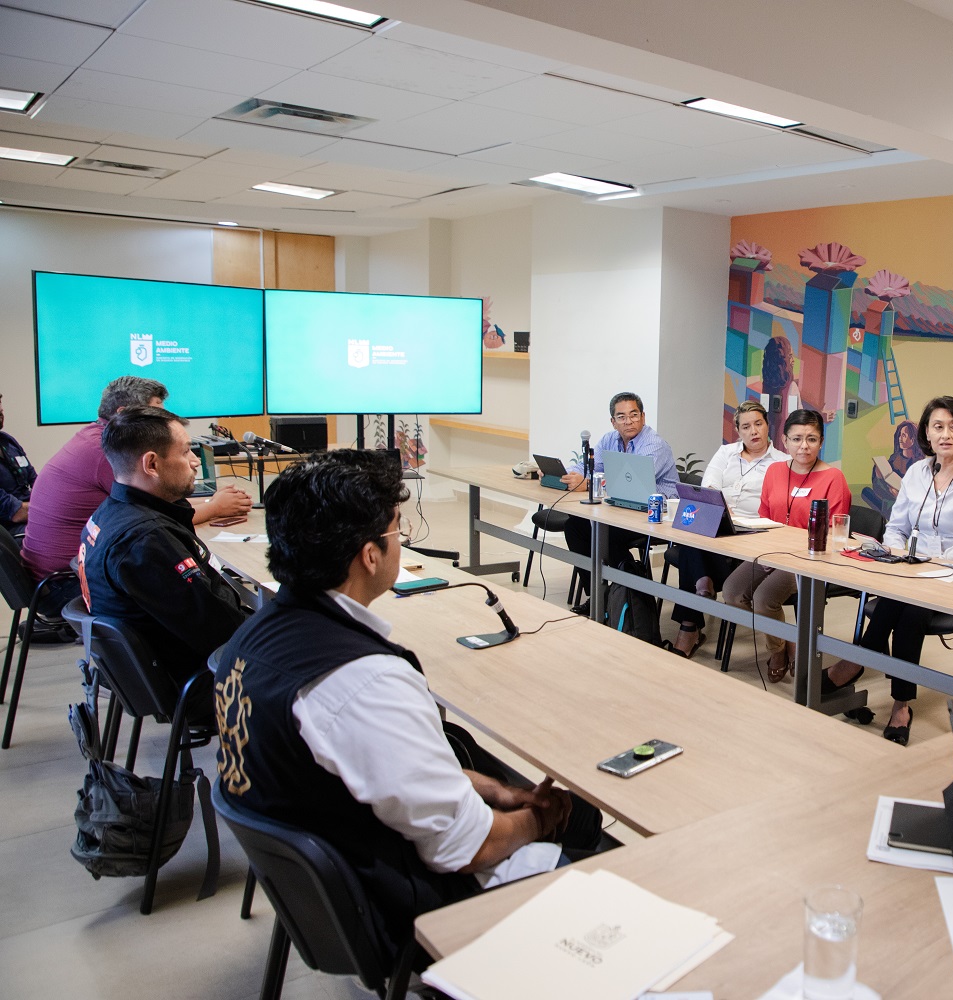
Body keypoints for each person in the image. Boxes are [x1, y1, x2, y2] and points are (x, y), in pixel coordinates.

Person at [214, 449, 600, 966]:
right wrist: (538, 818)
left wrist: (498, 790)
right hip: (405, 904)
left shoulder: (254, 635)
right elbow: (471, 850)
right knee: (598, 856)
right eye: (398, 531)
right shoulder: (364, 680)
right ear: (370, 555)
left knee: (574, 814)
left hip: (328, 879)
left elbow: (392, 770)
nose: (403, 542)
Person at [821, 397, 953, 744]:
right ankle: (886, 690)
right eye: (938, 426)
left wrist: (929, 567)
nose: (946, 434)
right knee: (902, 597)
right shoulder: (917, 472)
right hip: (915, 568)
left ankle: (873, 677)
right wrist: (897, 554)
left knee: (910, 609)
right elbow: (896, 527)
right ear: (927, 434)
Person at [78, 406, 253, 703]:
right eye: (185, 452)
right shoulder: (146, 541)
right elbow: (226, 630)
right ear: (152, 464)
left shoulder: (110, 513)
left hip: (157, 670)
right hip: (202, 682)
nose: (195, 461)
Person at [22, 376, 252, 588]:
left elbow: (157, 504)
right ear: (123, 414)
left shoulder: (94, 437)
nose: (163, 424)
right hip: (67, 581)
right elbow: (160, 515)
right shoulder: (109, 452)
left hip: (68, 570)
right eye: (154, 416)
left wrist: (212, 501)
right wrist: (215, 507)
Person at [721, 409, 850, 682]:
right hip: (769, 551)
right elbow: (764, 515)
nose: (804, 446)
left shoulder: (833, 478)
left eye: (812, 439)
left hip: (808, 559)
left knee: (764, 599)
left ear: (821, 442)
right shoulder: (775, 470)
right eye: (797, 439)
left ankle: (775, 651)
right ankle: (784, 643)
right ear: (784, 441)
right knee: (732, 593)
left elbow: (834, 532)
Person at [667, 400, 788, 657]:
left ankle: (694, 614)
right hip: (718, 526)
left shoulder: (782, 462)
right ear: (738, 430)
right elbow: (709, 486)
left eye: (758, 424)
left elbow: (778, 508)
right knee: (691, 534)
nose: (753, 431)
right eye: (746, 427)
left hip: (753, 535)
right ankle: (702, 585)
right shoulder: (726, 453)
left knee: (694, 551)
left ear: (768, 425)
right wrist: (720, 507)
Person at [560, 391, 679, 612]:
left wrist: (587, 483)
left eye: (634, 415)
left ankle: (629, 599)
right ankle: (599, 596)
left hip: (654, 515)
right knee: (575, 526)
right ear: (613, 422)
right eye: (622, 417)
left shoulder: (654, 444)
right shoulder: (609, 439)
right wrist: (565, 474)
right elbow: (589, 467)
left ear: (643, 417)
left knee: (606, 532)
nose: (628, 421)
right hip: (624, 509)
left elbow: (633, 479)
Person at [861, 418, 924, 519]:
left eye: (904, 435)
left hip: (904, 510)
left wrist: (898, 496)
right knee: (866, 492)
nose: (900, 438)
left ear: (912, 440)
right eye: (899, 435)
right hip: (888, 502)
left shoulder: (919, 466)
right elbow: (878, 489)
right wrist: (878, 477)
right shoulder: (894, 459)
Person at [0, 392, 36, 537]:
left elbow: (36, 481)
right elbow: (15, 512)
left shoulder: (8, 441)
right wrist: (50, 510)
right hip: (9, 529)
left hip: (30, 513)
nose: (1, 411)